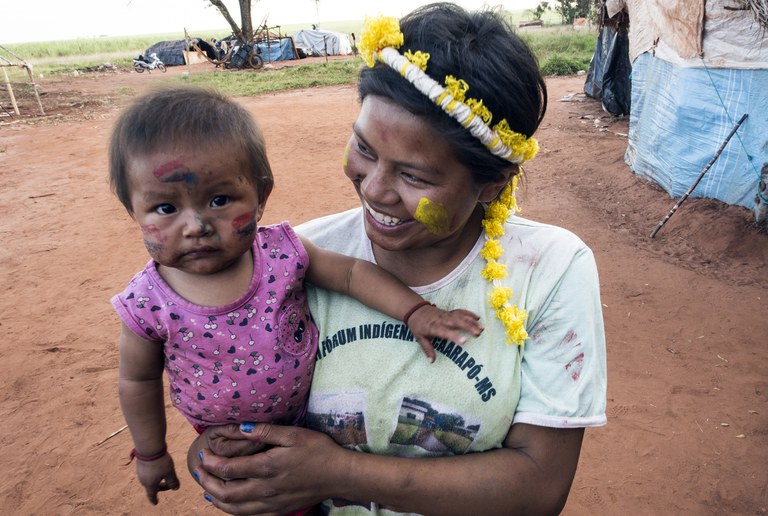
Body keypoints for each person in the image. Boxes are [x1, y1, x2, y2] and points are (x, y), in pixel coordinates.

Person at [187, 3, 607, 515]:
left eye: (415, 176)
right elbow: (230, 416)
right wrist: (222, 460)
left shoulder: (549, 270)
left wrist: (338, 472)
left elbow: (539, 488)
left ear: (490, 185)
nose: (375, 189)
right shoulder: (291, 262)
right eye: (363, 149)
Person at [108, 85, 484, 506]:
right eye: (165, 209)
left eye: (219, 200)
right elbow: (137, 380)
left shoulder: (280, 252)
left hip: (316, 428)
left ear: (262, 194)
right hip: (231, 445)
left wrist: (416, 311)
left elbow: (352, 274)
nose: (196, 225)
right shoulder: (145, 303)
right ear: (132, 209)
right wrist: (151, 453)